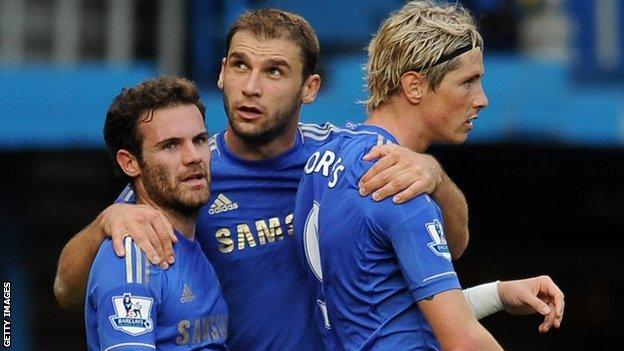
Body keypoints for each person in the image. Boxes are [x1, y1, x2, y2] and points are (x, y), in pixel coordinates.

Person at [55, 8, 562, 351]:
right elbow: (70, 289)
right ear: (221, 74)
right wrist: (105, 222)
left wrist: (433, 175)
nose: (251, 87)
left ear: (310, 87)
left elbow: (442, 251)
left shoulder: (339, 157)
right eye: (240, 66)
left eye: (275, 71)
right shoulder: (188, 174)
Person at [294, 1, 563, 350]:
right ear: (414, 86)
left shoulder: (323, 161)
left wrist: (496, 293)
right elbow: (462, 341)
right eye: (468, 82)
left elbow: (385, 314)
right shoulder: (397, 183)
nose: (482, 99)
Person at [84, 77, 228, 350]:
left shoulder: (193, 247)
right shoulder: (131, 260)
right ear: (130, 162)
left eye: (199, 140)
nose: (193, 156)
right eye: (171, 145)